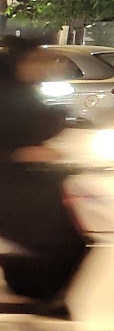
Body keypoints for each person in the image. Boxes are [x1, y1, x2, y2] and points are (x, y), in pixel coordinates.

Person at [0, 37, 87, 301]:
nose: (46, 66)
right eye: (38, 60)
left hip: (29, 174)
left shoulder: (23, 91)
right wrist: (16, 153)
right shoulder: (8, 92)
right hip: (11, 180)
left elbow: (46, 121)